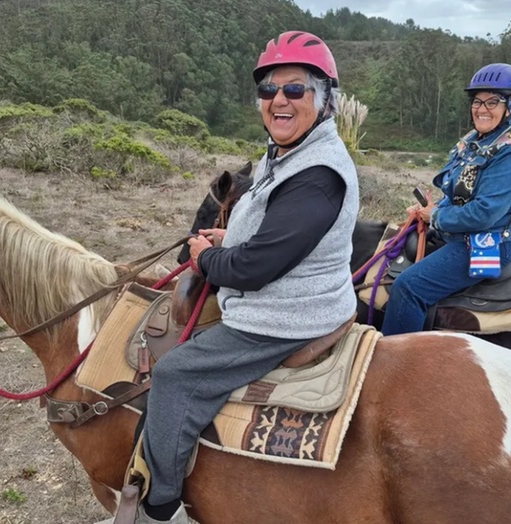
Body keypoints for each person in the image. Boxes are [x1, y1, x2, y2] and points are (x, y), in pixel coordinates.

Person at [118, 31, 360, 523]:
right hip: (292, 293)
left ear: (325, 98)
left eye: (296, 89)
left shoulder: (318, 173)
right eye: (269, 90)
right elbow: (270, 229)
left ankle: (160, 507)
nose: (279, 100)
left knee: (175, 374)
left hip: (286, 314)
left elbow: (253, 271)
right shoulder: (287, 152)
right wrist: (228, 239)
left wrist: (208, 257)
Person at [380, 63, 511, 336]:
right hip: (461, 230)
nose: (482, 109)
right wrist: (433, 207)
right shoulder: (474, 140)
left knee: (408, 287)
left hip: (490, 240)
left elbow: (484, 212)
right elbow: (459, 194)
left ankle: (398, 366)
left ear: (510, 107)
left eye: (492, 102)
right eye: (477, 102)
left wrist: (437, 218)